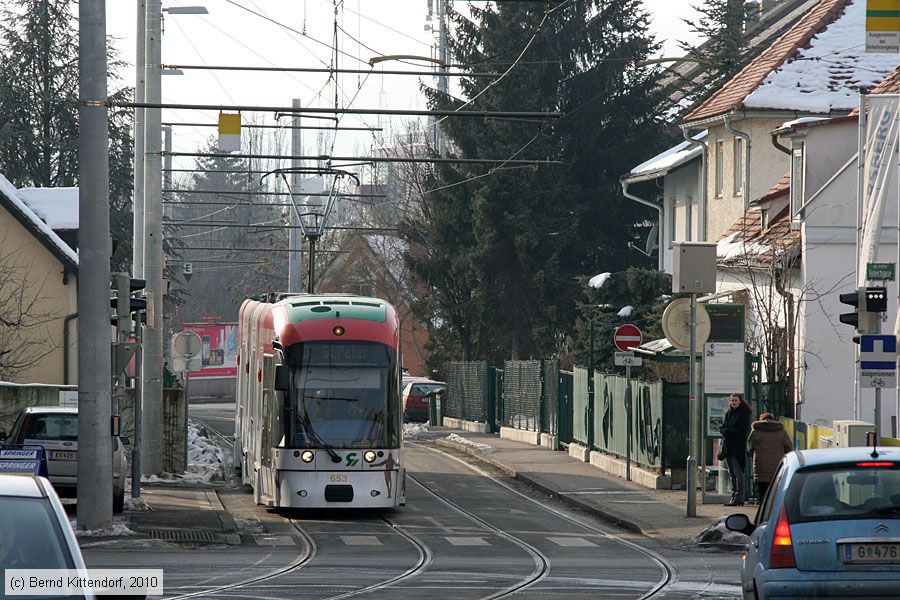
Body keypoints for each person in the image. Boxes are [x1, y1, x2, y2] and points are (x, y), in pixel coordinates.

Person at [747, 412, 792, 502]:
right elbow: (789, 447)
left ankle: (762, 508)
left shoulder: (756, 431)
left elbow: (750, 447)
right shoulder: (781, 432)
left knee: (762, 489)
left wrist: (754, 454)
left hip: (760, 465)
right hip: (777, 465)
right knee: (776, 490)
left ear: (761, 419)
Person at [720, 393, 752, 506]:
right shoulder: (729, 413)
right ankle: (734, 495)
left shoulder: (743, 414)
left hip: (737, 448)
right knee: (731, 473)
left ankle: (739, 497)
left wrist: (728, 431)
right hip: (728, 447)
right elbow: (722, 428)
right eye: (732, 401)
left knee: (738, 473)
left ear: (740, 401)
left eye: (736, 400)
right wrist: (727, 430)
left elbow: (742, 431)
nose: (733, 402)